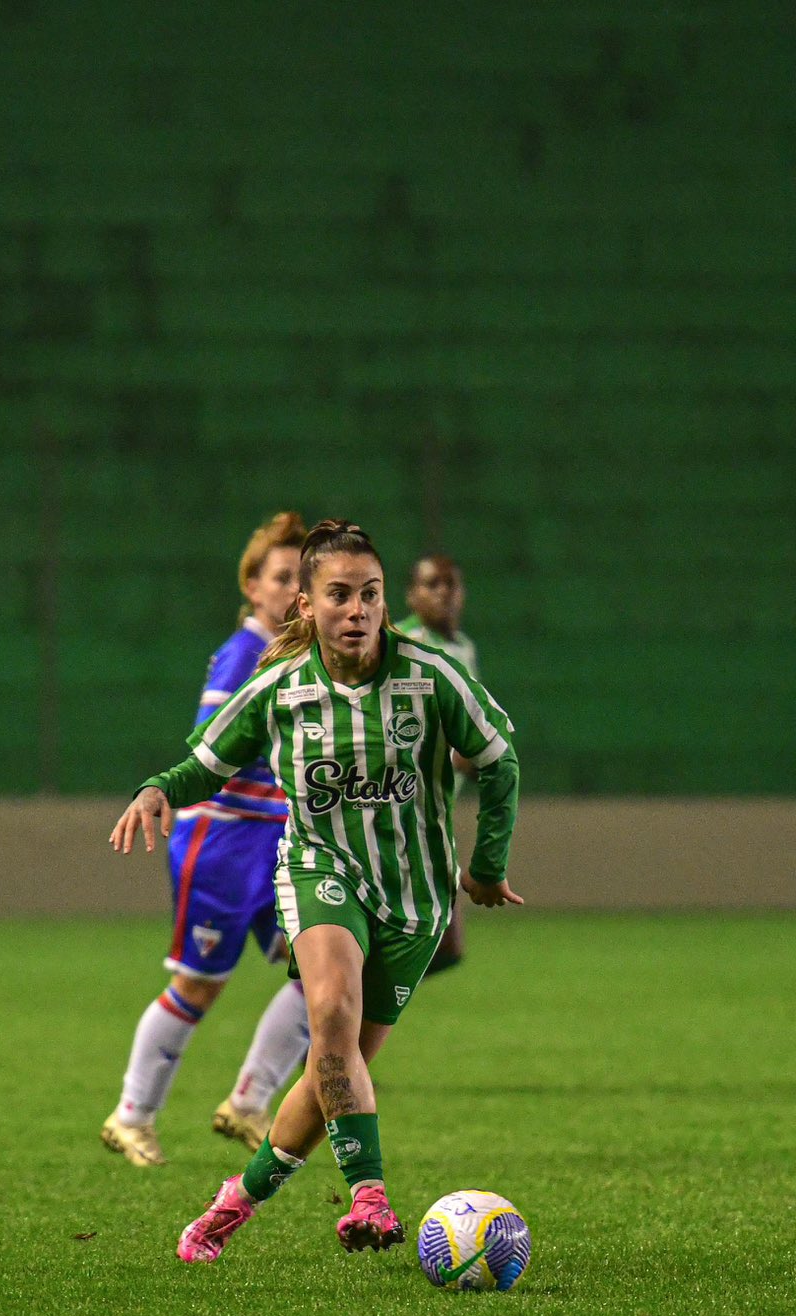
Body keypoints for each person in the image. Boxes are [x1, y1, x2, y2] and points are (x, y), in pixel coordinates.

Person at [109, 520, 524, 1263]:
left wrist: (485, 867)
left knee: (333, 1069)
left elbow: (500, 762)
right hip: (319, 872)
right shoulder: (278, 684)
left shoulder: (431, 675)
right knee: (328, 1008)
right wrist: (156, 789)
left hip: (416, 900)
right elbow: (207, 763)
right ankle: (370, 1194)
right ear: (307, 604)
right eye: (339, 594)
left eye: (370, 593)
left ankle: (234, 1205)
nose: (358, 609)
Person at [100, 511, 318, 1167]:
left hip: (276, 844)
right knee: (200, 986)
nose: (292, 590)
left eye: (303, 578)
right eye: (281, 577)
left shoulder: (296, 658)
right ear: (252, 586)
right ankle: (131, 1115)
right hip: (221, 845)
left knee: (325, 970)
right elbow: (212, 746)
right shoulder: (243, 654)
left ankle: (248, 1103)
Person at [396, 554, 479, 976]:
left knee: (444, 947)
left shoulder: (462, 649)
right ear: (412, 595)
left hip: (436, 809)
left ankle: (354, 1008)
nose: (443, 593)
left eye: (451, 584)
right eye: (432, 584)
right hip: (399, 805)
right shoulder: (402, 643)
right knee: (440, 940)